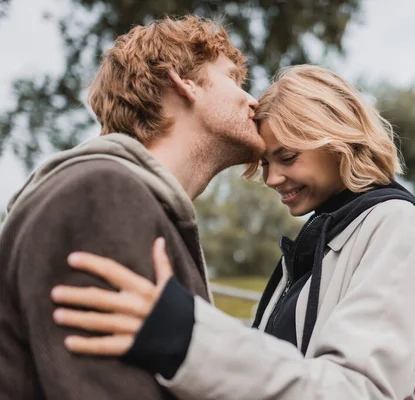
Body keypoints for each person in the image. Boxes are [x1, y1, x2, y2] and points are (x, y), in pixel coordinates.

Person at [50, 65, 415, 399]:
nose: (271, 178)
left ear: (337, 139)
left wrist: (187, 337)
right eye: (265, 162)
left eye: (286, 157)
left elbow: (359, 391)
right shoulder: (320, 238)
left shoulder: (393, 222)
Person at [0, 15, 264, 399]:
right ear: (183, 81)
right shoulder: (99, 195)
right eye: (232, 79)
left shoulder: (126, 198)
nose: (253, 100)